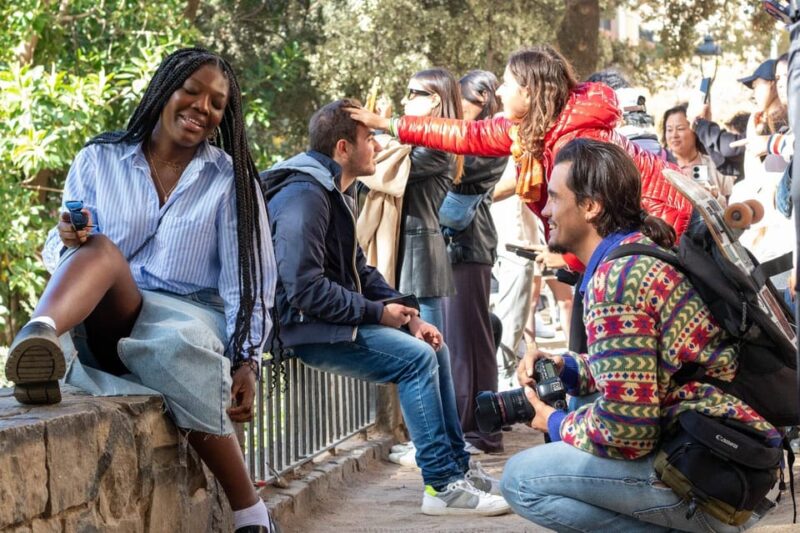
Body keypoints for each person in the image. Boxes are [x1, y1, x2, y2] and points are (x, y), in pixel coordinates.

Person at [5, 48, 278, 532]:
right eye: (191, 91)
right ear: (163, 90)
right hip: (108, 305)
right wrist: (67, 235)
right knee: (102, 251)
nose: (201, 107)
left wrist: (248, 359)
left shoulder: (228, 180)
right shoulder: (99, 158)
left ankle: (251, 514)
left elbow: (249, 280)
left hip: (188, 312)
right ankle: (40, 333)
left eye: (216, 103)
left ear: (223, 116)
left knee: (176, 345)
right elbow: (60, 245)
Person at [499, 138, 779, 532]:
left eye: (555, 198)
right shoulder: (636, 252)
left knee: (521, 480)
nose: (545, 210)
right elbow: (638, 371)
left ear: (591, 206)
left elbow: (628, 431)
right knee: (581, 400)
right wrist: (564, 365)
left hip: (705, 468)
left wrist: (554, 421)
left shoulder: (615, 281)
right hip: (722, 449)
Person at [260, 99, 510, 517]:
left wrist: (407, 314)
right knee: (414, 360)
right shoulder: (305, 196)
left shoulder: (332, 190)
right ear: (343, 148)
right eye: (368, 138)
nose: (376, 145)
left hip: (330, 321)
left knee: (432, 345)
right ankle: (442, 486)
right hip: (308, 330)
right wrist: (378, 315)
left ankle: (457, 469)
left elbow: (359, 270)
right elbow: (304, 290)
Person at [347, 44, 693, 267]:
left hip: (662, 233)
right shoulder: (533, 129)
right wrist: (389, 123)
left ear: (528, 93)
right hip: (636, 245)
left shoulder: (577, 143)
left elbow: (601, 215)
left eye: (506, 84)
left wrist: (569, 261)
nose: (499, 91)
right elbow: (463, 134)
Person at [441, 70, 508, 454]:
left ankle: (477, 431)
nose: (456, 109)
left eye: (461, 100)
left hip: (469, 248)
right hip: (465, 248)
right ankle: (478, 428)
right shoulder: (474, 140)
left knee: (469, 344)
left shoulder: (487, 144)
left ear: (481, 102)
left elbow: (453, 173)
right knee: (470, 340)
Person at [662, 104, 731, 202]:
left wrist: (715, 197)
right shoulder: (661, 165)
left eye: (680, 128)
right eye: (669, 130)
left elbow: (732, 204)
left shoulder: (716, 164)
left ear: (695, 130)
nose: (674, 135)